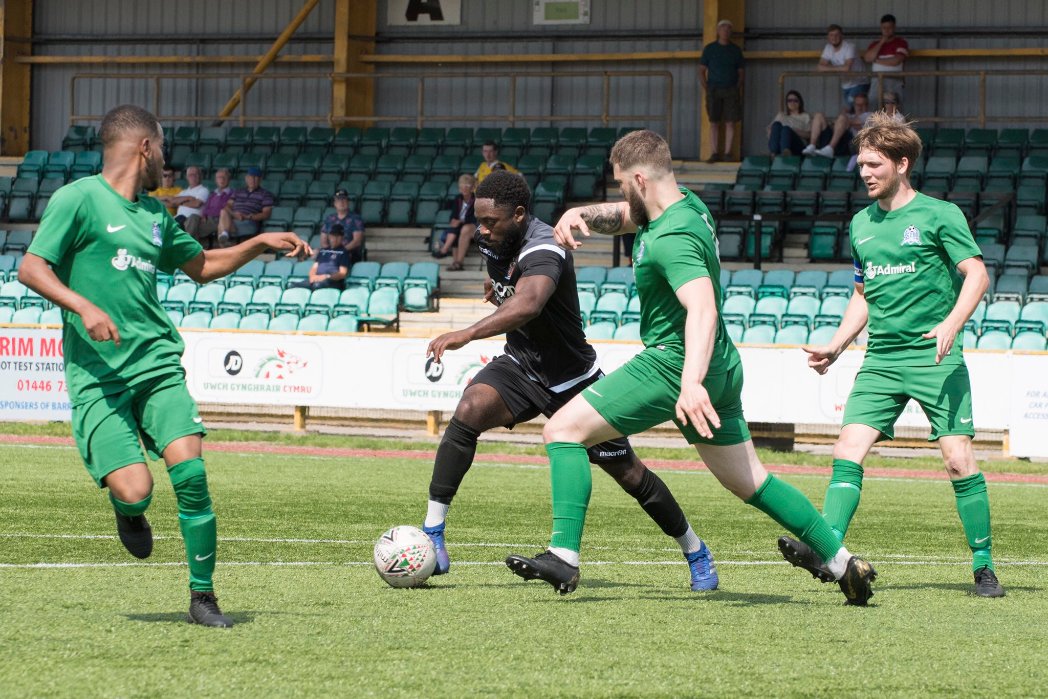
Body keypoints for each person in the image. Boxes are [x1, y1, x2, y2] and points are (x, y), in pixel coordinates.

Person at [505, 130, 877, 605]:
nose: (620, 196)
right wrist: (582, 214)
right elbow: (626, 215)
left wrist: (690, 383)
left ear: (640, 179)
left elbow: (702, 308)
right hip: (721, 362)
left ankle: (564, 555)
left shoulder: (671, 237)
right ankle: (844, 563)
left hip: (674, 363)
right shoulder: (684, 206)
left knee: (562, 432)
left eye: (622, 185)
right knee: (752, 482)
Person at [18, 104, 311, 627]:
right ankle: (126, 509)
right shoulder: (77, 199)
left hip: (157, 364)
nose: (166, 164)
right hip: (99, 377)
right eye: (163, 151)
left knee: (191, 471)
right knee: (138, 490)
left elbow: (201, 266)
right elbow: (31, 266)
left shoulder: (155, 216)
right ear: (145, 148)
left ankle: (203, 596)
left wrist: (257, 243)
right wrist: (84, 306)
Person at [422, 169, 719, 593]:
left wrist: (465, 333)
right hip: (521, 365)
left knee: (629, 473)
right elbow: (508, 284)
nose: (481, 229)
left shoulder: (545, 247)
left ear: (520, 214)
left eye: (491, 222)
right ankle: (433, 531)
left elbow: (529, 303)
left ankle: (695, 550)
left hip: (572, 378)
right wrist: (496, 287)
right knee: (469, 410)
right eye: (478, 220)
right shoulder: (495, 240)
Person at [778, 112, 1004, 598]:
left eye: (874, 164)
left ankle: (983, 566)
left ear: (902, 164)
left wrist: (950, 323)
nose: (864, 173)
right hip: (879, 360)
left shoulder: (941, 215)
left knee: (959, 461)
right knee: (846, 451)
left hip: (934, 359)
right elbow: (863, 294)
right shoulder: (861, 224)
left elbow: (978, 275)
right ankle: (829, 551)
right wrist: (838, 345)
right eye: (860, 164)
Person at [699, 19, 745, 163]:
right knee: (714, 121)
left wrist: (737, 86)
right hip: (714, 89)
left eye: (728, 29)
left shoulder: (735, 50)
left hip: (731, 89)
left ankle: (727, 153)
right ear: (718, 31)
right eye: (723, 28)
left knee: (731, 122)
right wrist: (706, 86)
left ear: (730, 32)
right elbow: (701, 70)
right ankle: (714, 152)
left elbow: (741, 72)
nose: (726, 31)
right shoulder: (710, 49)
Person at [805, 92, 872, 158]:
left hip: (850, 144)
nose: (860, 107)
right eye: (858, 105)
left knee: (842, 118)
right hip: (835, 140)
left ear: (867, 105)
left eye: (863, 104)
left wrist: (842, 117)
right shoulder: (849, 116)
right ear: (854, 105)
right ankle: (812, 146)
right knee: (818, 116)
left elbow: (855, 123)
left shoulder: (870, 115)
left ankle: (830, 148)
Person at [218, 166, 274, 246]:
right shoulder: (238, 191)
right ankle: (225, 239)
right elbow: (228, 205)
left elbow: (266, 214)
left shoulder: (265, 194)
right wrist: (234, 214)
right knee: (223, 211)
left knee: (221, 224)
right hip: (234, 219)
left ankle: (224, 244)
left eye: (256, 177)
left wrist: (247, 217)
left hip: (249, 222)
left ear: (260, 179)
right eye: (251, 177)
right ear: (246, 179)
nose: (253, 180)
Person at [817, 24, 870, 108]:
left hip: (859, 83)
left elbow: (846, 68)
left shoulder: (849, 47)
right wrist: (840, 68)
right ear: (828, 37)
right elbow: (820, 67)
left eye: (836, 35)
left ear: (842, 35)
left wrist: (829, 68)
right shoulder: (828, 48)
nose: (834, 37)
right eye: (831, 35)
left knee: (855, 108)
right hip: (845, 84)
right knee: (852, 109)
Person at [767, 90, 829, 156]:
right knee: (776, 124)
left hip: (798, 144)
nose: (792, 102)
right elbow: (770, 130)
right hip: (779, 143)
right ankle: (773, 152)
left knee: (786, 129)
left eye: (795, 100)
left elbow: (809, 135)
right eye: (789, 100)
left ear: (800, 102)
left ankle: (785, 152)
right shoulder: (781, 115)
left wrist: (793, 130)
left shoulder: (805, 116)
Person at [863, 13, 909, 104]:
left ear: (894, 27)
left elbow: (896, 61)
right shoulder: (874, 44)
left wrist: (876, 60)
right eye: (884, 28)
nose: (887, 30)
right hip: (877, 80)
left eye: (889, 27)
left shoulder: (901, 43)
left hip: (894, 79)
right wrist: (882, 42)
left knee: (894, 108)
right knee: (874, 105)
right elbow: (867, 58)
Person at [289, 224, 349, 291]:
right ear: (329, 236)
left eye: (338, 236)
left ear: (342, 238)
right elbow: (314, 267)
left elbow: (342, 273)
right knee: (292, 285)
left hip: (333, 281)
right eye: (333, 235)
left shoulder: (344, 252)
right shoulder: (323, 250)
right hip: (317, 279)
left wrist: (326, 276)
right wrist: (312, 276)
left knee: (317, 285)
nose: (335, 239)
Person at [184, 167, 233, 249]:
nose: (222, 180)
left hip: (219, 220)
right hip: (207, 219)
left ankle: (188, 247)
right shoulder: (214, 193)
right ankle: (191, 247)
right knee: (193, 217)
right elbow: (206, 207)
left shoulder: (231, 193)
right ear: (216, 180)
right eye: (219, 178)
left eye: (224, 177)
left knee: (192, 228)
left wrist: (209, 213)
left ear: (229, 179)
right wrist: (204, 214)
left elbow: (223, 208)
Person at [437, 173, 477, 271]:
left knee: (464, 228)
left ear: (472, 188)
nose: (464, 187)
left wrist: (460, 221)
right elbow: (454, 214)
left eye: (467, 185)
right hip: (459, 225)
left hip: (473, 225)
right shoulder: (458, 198)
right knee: (455, 228)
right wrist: (454, 220)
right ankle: (454, 261)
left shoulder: (476, 199)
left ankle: (458, 261)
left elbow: (474, 218)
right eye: (462, 185)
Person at [320, 188, 365, 265]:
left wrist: (340, 252)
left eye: (344, 199)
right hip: (332, 253)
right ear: (334, 203)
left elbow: (357, 241)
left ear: (348, 202)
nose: (341, 202)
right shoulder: (329, 219)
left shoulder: (356, 218)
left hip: (350, 253)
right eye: (338, 200)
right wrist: (331, 252)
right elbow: (323, 241)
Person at [169, 165, 209, 229]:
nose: (193, 177)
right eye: (190, 175)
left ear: (200, 176)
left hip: (192, 220)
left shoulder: (203, 190)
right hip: (178, 219)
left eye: (195, 174)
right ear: (187, 177)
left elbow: (196, 204)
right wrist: (188, 198)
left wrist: (180, 202)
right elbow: (172, 202)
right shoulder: (183, 192)